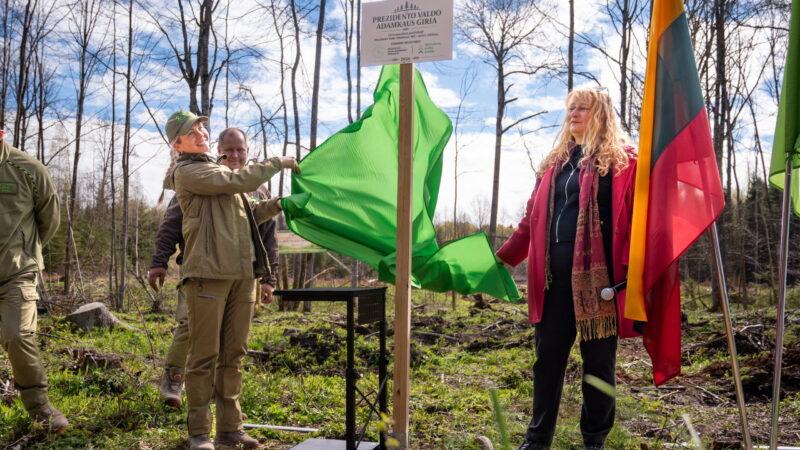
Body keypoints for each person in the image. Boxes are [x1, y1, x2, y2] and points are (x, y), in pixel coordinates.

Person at [495, 88, 639, 450]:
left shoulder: (623, 161)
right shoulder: (554, 165)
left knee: (598, 365)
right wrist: (501, 259)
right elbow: (530, 221)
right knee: (548, 361)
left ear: (600, 113)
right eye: (570, 107)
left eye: (583, 108)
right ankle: (537, 439)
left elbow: (641, 217)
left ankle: (594, 440)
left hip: (600, 282)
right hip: (552, 281)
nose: (573, 113)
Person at [161, 110, 298, 450]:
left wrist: (279, 203)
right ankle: (199, 434)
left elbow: (250, 213)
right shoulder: (190, 171)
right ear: (177, 144)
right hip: (208, 275)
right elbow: (234, 182)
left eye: (200, 127)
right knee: (204, 356)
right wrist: (276, 162)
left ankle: (230, 429)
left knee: (233, 355)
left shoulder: (218, 170)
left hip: (242, 276)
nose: (200, 132)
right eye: (190, 131)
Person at [148, 127, 280, 409]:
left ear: (247, 151)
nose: (234, 154)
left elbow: (268, 237)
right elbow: (171, 225)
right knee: (189, 326)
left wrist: (269, 278)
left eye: (239, 149)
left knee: (232, 339)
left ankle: (220, 402)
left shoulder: (257, 187)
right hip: (202, 272)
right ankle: (173, 379)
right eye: (228, 149)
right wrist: (159, 261)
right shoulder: (202, 177)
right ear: (218, 150)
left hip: (242, 275)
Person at [0, 129, 67, 433]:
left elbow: (49, 218)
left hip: (17, 270)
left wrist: (27, 250)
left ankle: (40, 407)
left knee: (17, 335)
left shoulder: (27, 168)